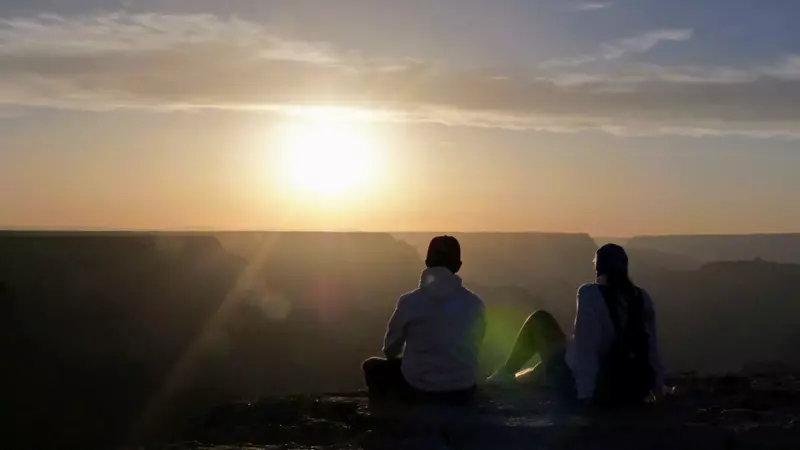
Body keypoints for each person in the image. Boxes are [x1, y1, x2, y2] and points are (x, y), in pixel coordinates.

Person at [486, 244, 666, 408]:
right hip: (628, 390)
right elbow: (651, 350)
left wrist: (585, 397)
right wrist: (659, 390)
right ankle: (523, 377)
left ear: (598, 269)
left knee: (540, 320)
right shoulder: (642, 298)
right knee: (561, 352)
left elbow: (587, 349)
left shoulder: (590, 294)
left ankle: (505, 374)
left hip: (592, 391)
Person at [363, 235, 486, 405]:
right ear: (458, 266)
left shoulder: (409, 302)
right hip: (463, 390)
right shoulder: (475, 303)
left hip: (418, 389)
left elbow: (390, 350)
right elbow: (477, 344)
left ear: (427, 261)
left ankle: (385, 420)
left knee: (371, 367)